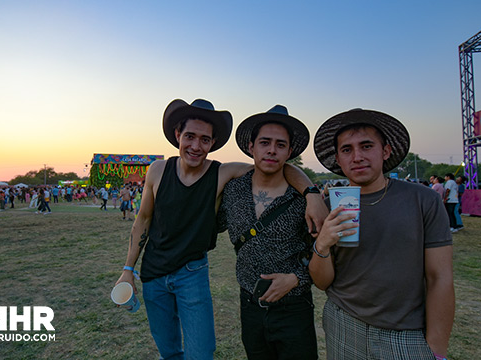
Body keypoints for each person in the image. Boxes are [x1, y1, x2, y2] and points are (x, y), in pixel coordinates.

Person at [115, 99, 326, 360]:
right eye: (190, 136)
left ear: (213, 143)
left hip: (192, 273)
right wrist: (127, 270)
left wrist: (311, 193)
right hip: (153, 274)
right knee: (167, 351)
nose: (196, 146)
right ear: (177, 134)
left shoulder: (221, 174)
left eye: (205, 139)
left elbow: (273, 164)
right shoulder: (158, 171)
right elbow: (142, 220)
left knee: (201, 354)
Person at [310, 108, 455, 360]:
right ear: (338, 158)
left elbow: (440, 277)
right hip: (343, 322)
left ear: (385, 151)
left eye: (366, 146)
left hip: (407, 332)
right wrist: (322, 244)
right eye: (347, 150)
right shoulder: (330, 205)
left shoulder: (423, 200)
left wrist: (437, 348)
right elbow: (322, 282)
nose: (357, 157)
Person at [217, 105, 319, 359]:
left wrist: (297, 277)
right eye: (265, 142)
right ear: (251, 147)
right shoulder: (232, 192)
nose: (272, 150)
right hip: (250, 306)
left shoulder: (304, 199)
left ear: (289, 152)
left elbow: (322, 251)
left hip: (294, 307)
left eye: (280, 144)